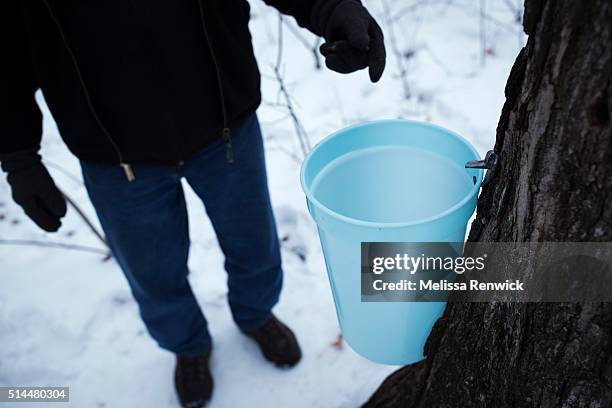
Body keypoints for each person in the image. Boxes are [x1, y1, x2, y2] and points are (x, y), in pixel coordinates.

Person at [1, 0, 385, 406]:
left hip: (225, 131)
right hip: (116, 160)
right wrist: (18, 155)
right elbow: (7, 50)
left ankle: (256, 315)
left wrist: (332, 7)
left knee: (254, 247)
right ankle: (187, 347)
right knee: (154, 276)